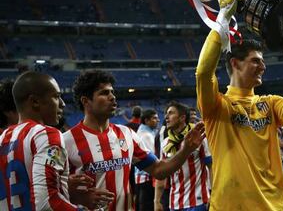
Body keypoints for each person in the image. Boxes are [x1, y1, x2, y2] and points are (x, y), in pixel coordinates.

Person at [196, 0, 283, 210]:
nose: (263, 66)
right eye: (255, 61)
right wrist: (222, 18)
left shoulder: (270, 104)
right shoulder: (216, 106)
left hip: (273, 207)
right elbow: (204, 72)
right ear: (235, 63)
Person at [63, 70, 206, 211]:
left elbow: (158, 170)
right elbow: (47, 191)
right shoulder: (66, 141)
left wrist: (186, 149)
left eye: (112, 92)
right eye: (104, 93)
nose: (112, 97)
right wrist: (76, 196)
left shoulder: (127, 134)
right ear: (86, 101)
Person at [0, 71, 82, 210]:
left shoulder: (3, 138)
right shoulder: (46, 134)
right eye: (56, 97)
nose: (62, 104)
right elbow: (46, 204)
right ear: (35, 102)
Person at [154, 101, 212, 211]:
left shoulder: (198, 138)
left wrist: (213, 193)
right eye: (166, 113)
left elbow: (211, 166)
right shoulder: (165, 143)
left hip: (198, 201)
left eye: (171, 113)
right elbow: (162, 173)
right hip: (174, 203)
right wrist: (156, 200)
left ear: (182, 118)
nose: (166, 117)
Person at [134, 109, 160, 211]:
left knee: (142, 204)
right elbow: (152, 158)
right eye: (154, 118)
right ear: (146, 120)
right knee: (147, 205)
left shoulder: (142, 132)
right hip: (146, 176)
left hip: (141, 176)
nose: (157, 120)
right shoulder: (146, 135)